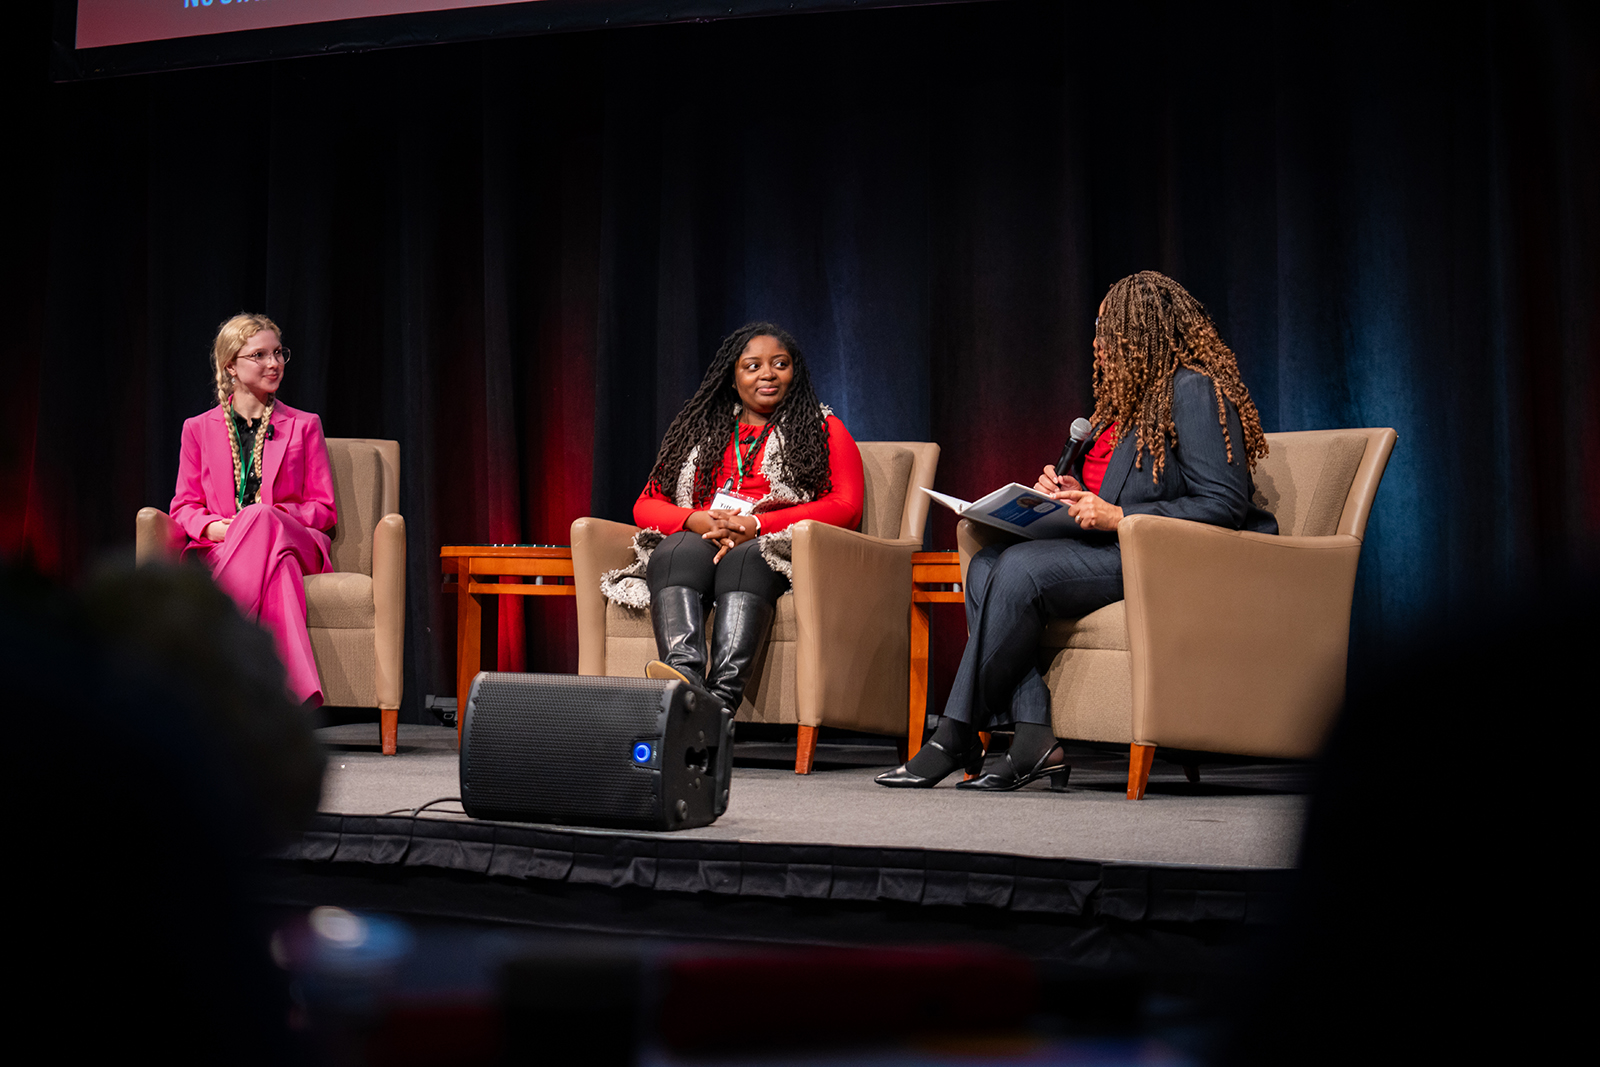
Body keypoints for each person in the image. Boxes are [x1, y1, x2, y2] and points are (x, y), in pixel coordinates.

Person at [877, 271, 1277, 790]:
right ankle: (1034, 738)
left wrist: (1118, 518)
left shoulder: (1193, 390)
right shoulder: (1120, 407)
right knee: (989, 565)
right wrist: (1063, 492)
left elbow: (1222, 503)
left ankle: (954, 734)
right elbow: (1117, 490)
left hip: (1159, 559)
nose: (1096, 344)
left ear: (1143, 333)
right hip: (1102, 545)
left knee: (1018, 569)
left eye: (1107, 331)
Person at [599, 322, 864, 714]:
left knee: (746, 559)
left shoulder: (824, 429)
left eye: (780, 363)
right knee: (673, 552)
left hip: (774, 543)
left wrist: (757, 525)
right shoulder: (700, 430)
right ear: (733, 375)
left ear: (797, 372)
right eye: (752, 366)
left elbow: (846, 505)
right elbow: (647, 503)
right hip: (705, 534)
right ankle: (684, 678)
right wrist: (696, 520)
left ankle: (719, 704)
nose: (768, 374)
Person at [170, 313, 337, 707]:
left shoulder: (304, 425)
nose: (274, 364)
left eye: (278, 353)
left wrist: (269, 518)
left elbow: (324, 508)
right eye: (259, 355)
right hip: (230, 548)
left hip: (296, 540)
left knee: (259, 517)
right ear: (231, 365)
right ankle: (290, 702)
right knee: (279, 573)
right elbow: (183, 506)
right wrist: (217, 530)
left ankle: (207, 650)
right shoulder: (197, 428)